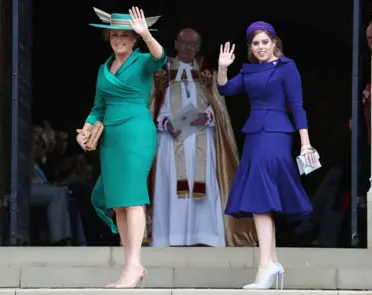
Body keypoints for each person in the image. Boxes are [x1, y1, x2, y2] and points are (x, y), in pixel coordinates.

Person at [217, 21, 317, 289]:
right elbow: (225, 89)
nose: (260, 47)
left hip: (277, 135)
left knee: (260, 194)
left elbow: (297, 106)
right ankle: (271, 260)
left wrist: (305, 144)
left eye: (264, 42)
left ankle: (266, 265)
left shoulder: (287, 67)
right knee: (262, 195)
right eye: (255, 43)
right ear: (251, 47)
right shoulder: (249, 71)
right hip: (254, 136)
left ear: (274, 43)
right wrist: (223, 67)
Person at [76, 7, 167, 288]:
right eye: (114, 35)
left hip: (136, 132)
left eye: (124, 36)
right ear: (109, 38)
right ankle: (132, 265)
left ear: (134, 39)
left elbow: (160, 57)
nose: (119, 40)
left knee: (132, 197)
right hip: (111, 138)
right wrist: (85, 131)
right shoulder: (104, 69)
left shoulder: (142, 61)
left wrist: (146, 35)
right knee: (118, 204)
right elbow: (97, 107)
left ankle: (134, 264)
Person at [146, 28, 257, 247]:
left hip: (203, 140)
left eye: (194, 44)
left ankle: (205, 235)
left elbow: (220, 109)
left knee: (203, 188)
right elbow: (152, 104)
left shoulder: (207, 73)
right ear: (176, 44)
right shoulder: (161, 72)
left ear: (198, 47)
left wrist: (208, 116)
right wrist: (165, 121)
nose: (189, 48)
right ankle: (168, 237)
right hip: (169, 142)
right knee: (170, 188)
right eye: (184, 43)